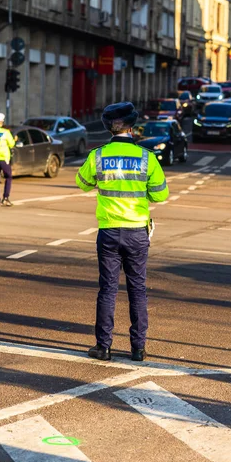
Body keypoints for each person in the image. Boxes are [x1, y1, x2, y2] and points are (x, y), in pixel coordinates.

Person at [76, 102, 169, 362]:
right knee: (137, 289)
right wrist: (143, 192)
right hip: (137, 232)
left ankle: (103, 347)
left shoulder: (98, 155)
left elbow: (82, 183)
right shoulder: (146, 157)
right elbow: (161, 194)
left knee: (107, 290)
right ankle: (138, 349)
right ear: (132, 127)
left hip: (108, 231)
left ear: (108, 127)